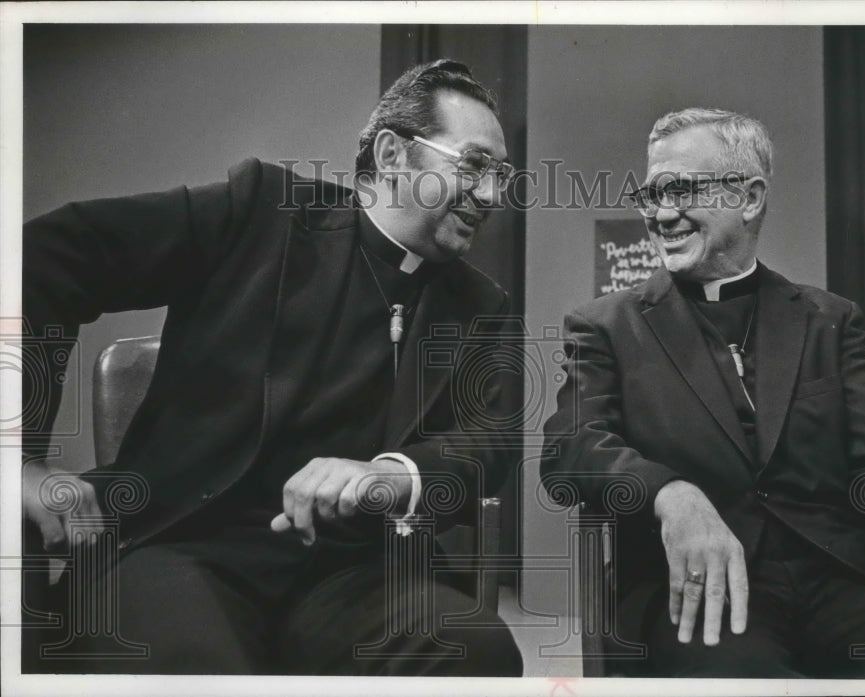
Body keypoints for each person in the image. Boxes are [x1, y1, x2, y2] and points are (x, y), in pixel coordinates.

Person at [21, 59, 523, 676]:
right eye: (473, 166)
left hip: (356, 575)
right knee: (193, 665)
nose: (492, 195)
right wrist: (16, 457)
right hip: (184, 545)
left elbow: (492, 441)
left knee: (476, 649)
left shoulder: (483, 307)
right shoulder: (259, 211)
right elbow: (42, 259)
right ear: (394, 154)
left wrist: (392, 474)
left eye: (500, 175)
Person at [541, 107, 865, 678]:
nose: (661, 213)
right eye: (651, 193)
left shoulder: (829, 320)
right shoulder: (605, 327)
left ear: (749, 197)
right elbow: (571, 447)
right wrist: (671, 494)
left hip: (841, 577)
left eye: (682, 190)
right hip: (699, 595)